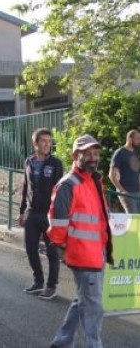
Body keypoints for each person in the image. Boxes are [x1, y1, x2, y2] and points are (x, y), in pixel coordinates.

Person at [48, 134, 114, 348]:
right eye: (87, 153)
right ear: (75, 156)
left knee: (83, 301)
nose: (93, 157)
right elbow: (58, 222)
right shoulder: (69, 184)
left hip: (96, 252)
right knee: (94, 307)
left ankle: (62, 343)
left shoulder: (93, 181)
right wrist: (62, 248)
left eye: (95, 153)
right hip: (83, 255)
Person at [17, 128, 63, 300]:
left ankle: (51, 286)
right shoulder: (29, 161)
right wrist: (21, 211)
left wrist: (58, 215)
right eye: (43, 141)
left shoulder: (56, 163)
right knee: (30, 248)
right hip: (31, 212)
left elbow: (60, 191)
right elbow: (25, 187)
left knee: (52, 251)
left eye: (49, 141)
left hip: (49, 215)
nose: (47, 144)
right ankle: (38, 281)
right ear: (35, 143)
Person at [109, 129, 140, 213]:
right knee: (133, 220)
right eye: (137, 138)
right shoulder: (119, 153)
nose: (139, 141)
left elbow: (136, 172)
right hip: (126, 193)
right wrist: (123, 192)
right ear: (130, 139)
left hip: (137, 192)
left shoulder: (135, 153)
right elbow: (111, 175)